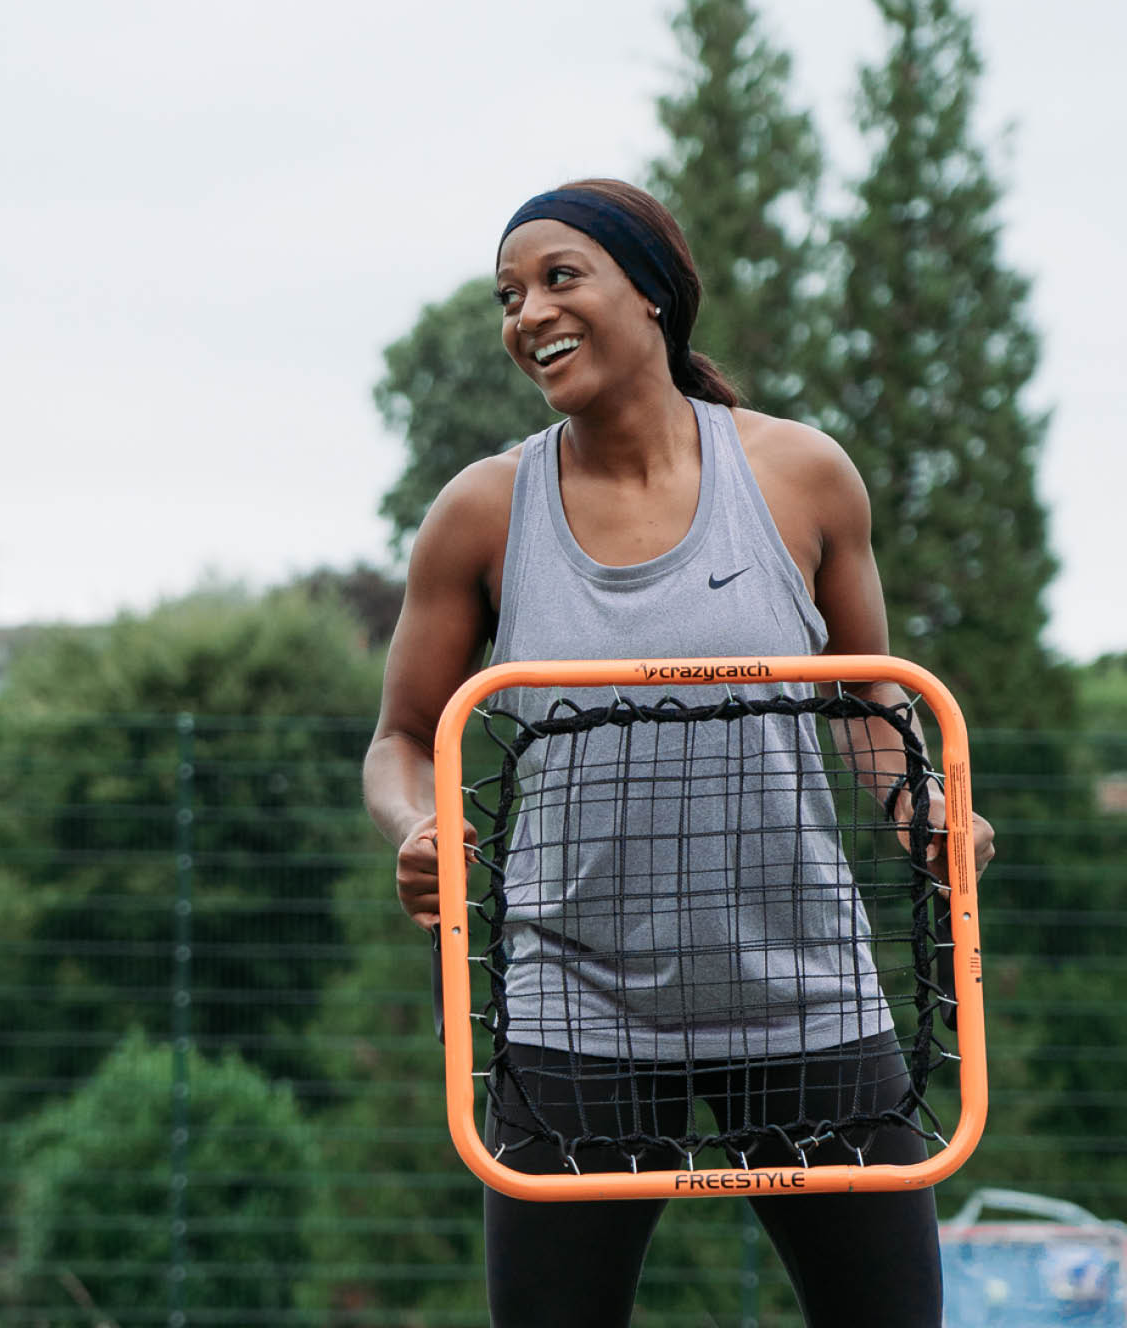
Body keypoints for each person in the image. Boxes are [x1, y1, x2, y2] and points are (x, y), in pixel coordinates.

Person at [362, 178, 996, 1328]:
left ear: (650, 293)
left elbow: (866, 699)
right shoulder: (482, 510)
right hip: (574, 1006)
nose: (526, 313)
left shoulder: (801, 475)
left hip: (804, 991)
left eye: (558, 277)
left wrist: (923, 808)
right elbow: (403, 736)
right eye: (507, 295)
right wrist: (417, 824)